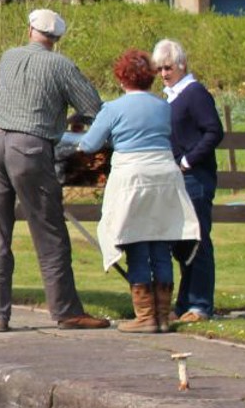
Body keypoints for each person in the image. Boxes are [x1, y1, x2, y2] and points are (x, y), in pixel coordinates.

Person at [0, 9, 109, 332]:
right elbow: (94, 107)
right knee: (49, 231)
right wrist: (70, 118)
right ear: (57, 39)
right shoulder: (60, 64)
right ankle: (66, 311)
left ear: (29, 30)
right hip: (30, 147)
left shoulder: (8, 57)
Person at [78, 49, 202, 332]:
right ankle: (162, 315)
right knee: (160, 240)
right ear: (150, 78)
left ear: (122, 79)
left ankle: (145, 317)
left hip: (133, 177)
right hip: (165, 176)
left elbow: (89, 143)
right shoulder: (162, 106)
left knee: (135, 240)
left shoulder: (113, 108)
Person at [153, 38, 223, 322]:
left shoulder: (195, 94)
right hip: (176, 179)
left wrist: (187, 160)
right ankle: (185, 304)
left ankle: (200, 305)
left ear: (181, 64)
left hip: (196, 177)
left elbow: (213, 132)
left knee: (198, 241)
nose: (163, 74)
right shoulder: (171, 95)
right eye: (159, 69)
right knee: (183, 244)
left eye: (167, 67)